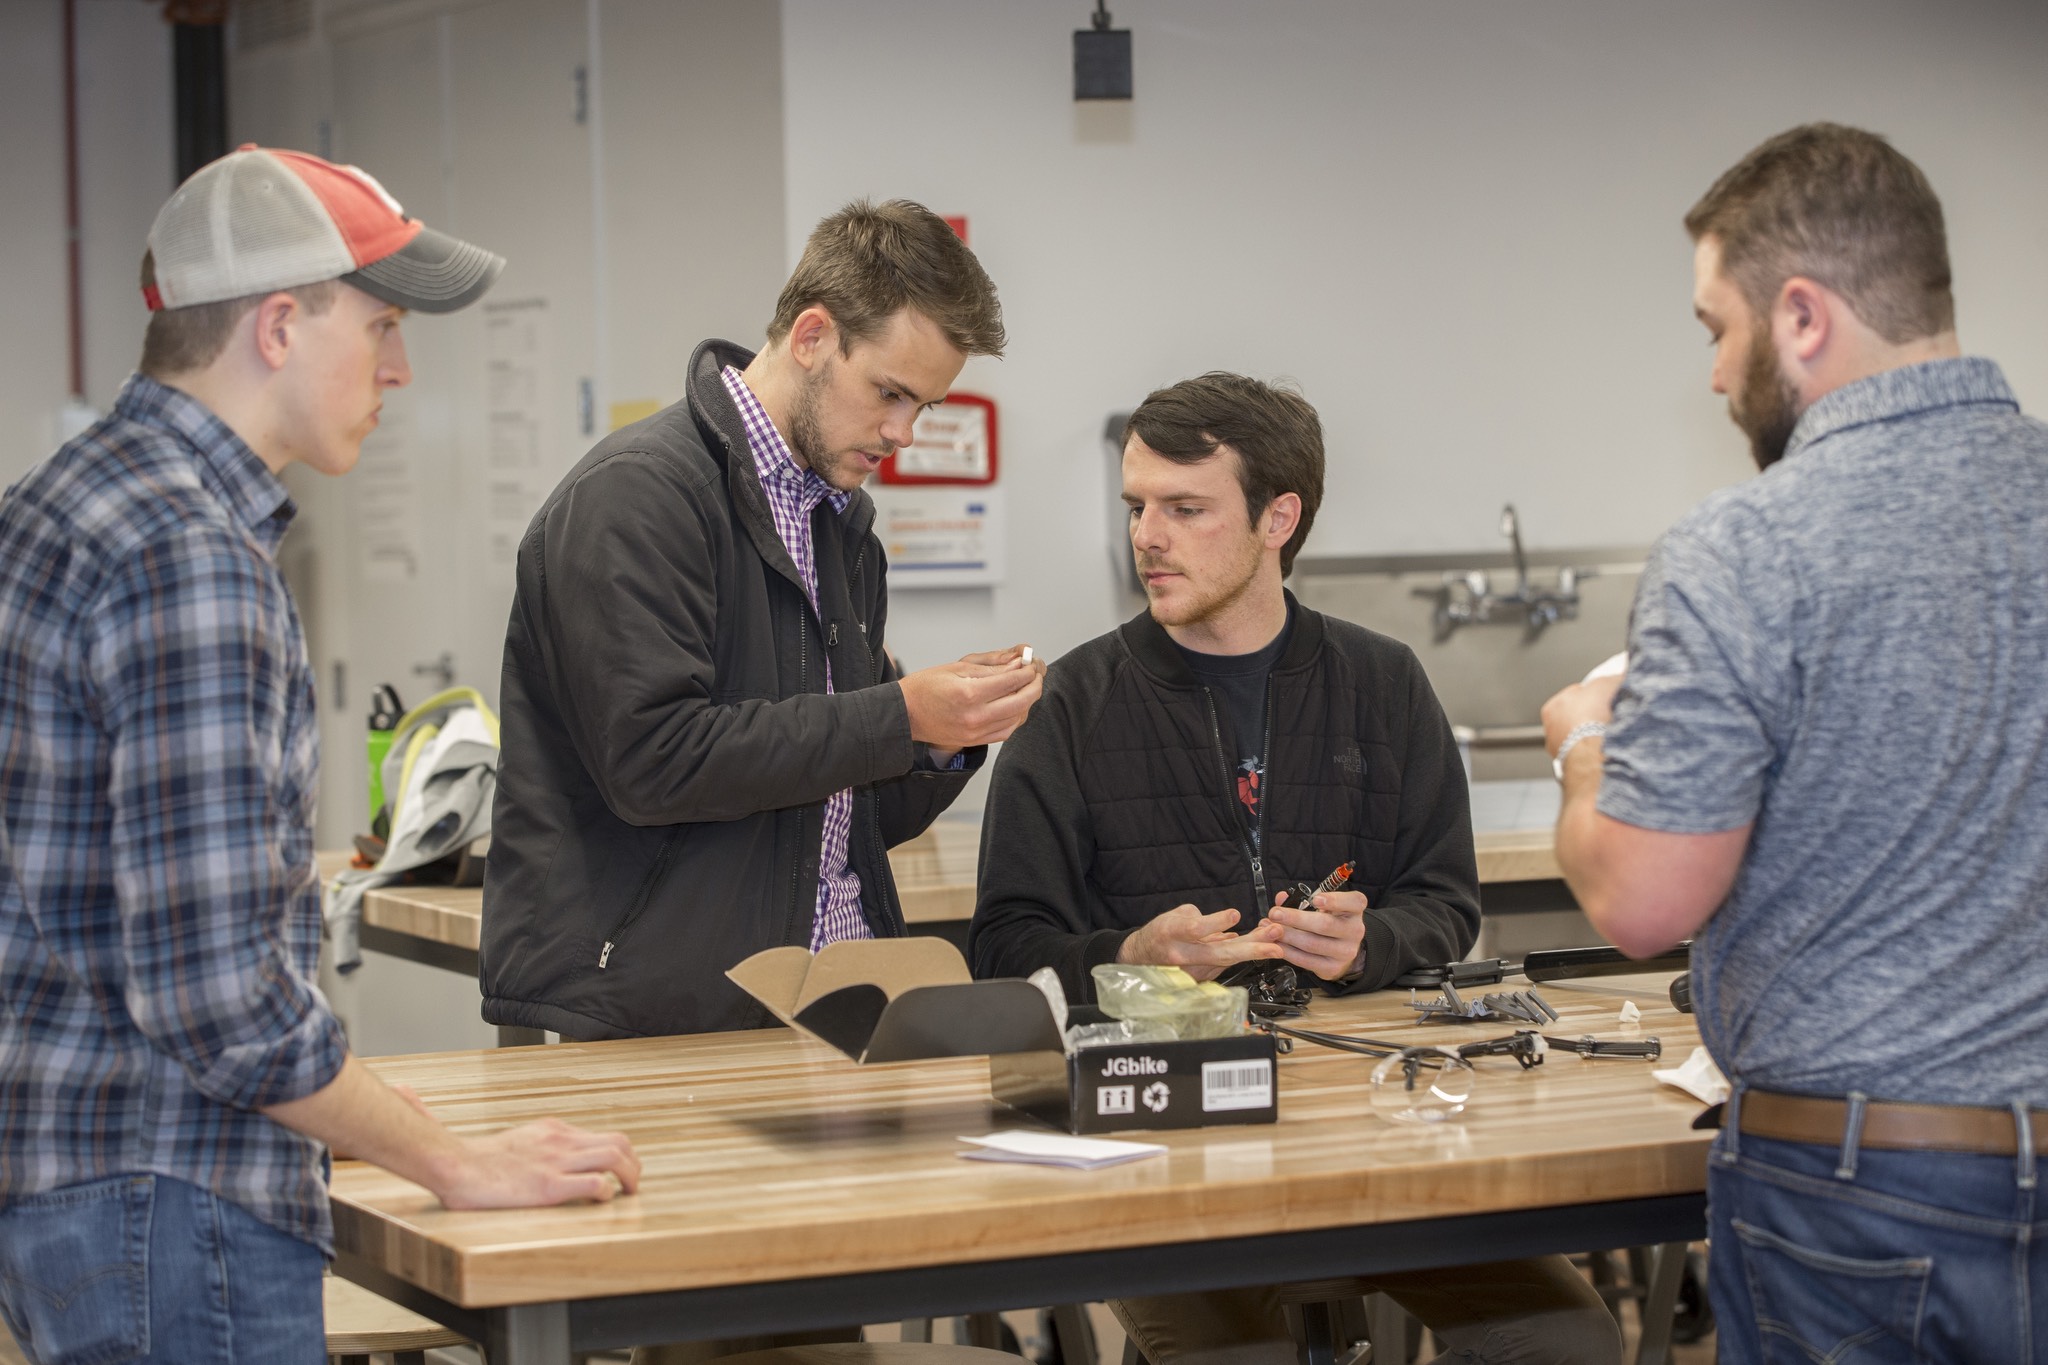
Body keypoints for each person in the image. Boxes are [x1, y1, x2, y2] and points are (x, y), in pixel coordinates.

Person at [0, 146, 638, 1365]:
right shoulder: (187, 557)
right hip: (170, 1199)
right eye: (383, 325)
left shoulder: (60, 501)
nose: (400, 371)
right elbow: (219, 1001)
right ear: (280, 325)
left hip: (71, 1182)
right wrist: (447, 1154)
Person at [973, 373, 1622, 1365]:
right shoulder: (1070, 707)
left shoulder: (1382, 682)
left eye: (1184, 509)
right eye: (1136, 507)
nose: (1146, 535)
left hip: (1371, 1141)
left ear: (1278, 517)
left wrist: (1367, 944)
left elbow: (1443, 904)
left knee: (1562, 1342)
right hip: (1164, 1163)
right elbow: (1005, 947)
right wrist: (1131, 955)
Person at [1541, 122, 2048, 1362]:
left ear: (1802, 317)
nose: (1716, 374)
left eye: (1717, 327)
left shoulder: (1748, 547)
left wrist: (1583, 747)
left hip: (1862, 1199)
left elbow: (1645, 902)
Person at [480, 197, 1041, 1041]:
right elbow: (653, 761)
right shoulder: (636, 498)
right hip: (659, 1015)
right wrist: (899, 713)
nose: (903, 433)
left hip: (842, 1004)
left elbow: (837, 814)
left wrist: (939, 738)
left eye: (923, 406)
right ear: (812, 337)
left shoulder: (842, 523)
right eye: (890, 393)